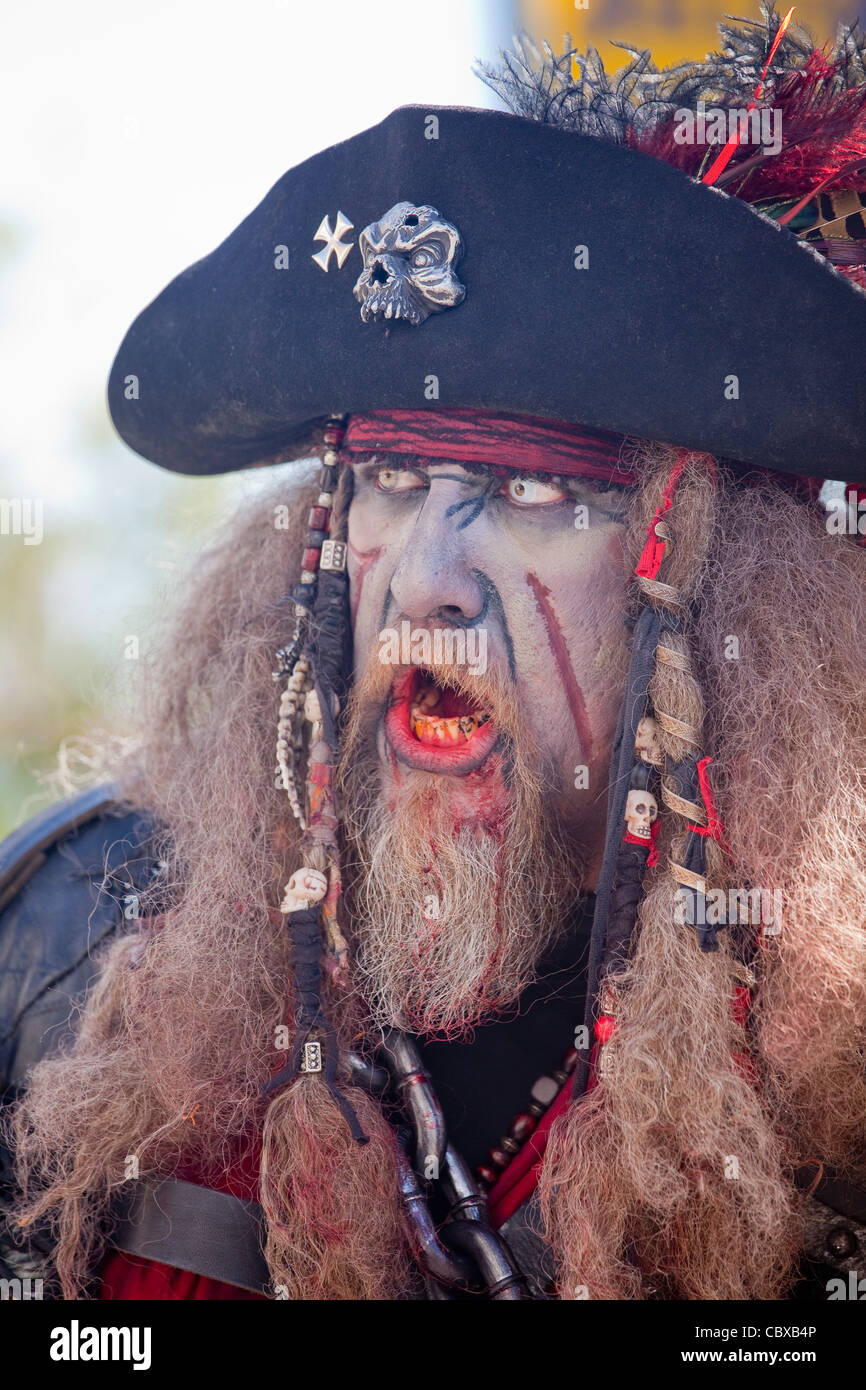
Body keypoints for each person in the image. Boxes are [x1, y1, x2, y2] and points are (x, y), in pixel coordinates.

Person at [2, 3, 865, 1301]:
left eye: (535, 501)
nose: (427, 576)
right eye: (395, 480)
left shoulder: (831, 1046)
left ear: (716, 578)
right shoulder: (67, 943)